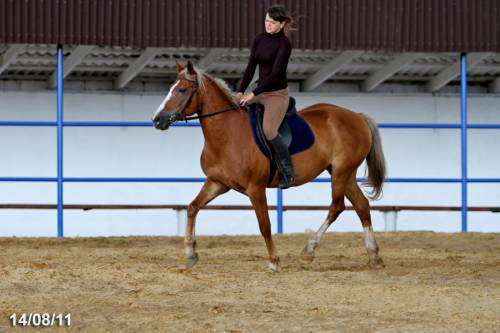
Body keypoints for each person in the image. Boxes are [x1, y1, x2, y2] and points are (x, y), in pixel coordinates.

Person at [237, 4, 295, 189]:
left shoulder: (284, 44)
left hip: (276, 94)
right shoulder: (259, 39)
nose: (268, 24)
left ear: (281, 24)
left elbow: (276, 74)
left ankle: (287, 171)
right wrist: (240, 90)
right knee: (234, 108)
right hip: (260, 89)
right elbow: (251, 67)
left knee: (269, 131)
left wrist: (253, 94)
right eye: (266, 21)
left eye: (272, 22)